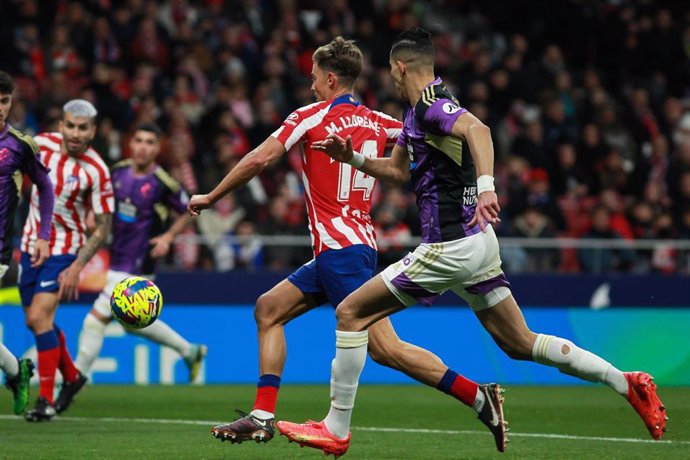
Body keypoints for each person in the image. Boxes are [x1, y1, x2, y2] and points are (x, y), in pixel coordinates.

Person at [277, 28, 667, 456]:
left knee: (351, 313)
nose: (389, 77)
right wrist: (349, 156)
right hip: (479, 244)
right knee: (520, 342)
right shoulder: (414, 113)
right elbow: (396, 171)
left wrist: (486, 187)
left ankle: (336, 428)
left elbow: (478, 130)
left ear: (401, 67)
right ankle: (625, 381)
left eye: (391, 70)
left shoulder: (430, 104)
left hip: (448, 247)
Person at [188, 36, 508, 453]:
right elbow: (444, 142)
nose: (311, 87)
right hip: (346, 250)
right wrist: (469, 185)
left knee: (385, 349)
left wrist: (211, 197)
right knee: (269, 309)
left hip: (342, 252)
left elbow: (258, 159)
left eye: (315, 79)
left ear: (331, 78)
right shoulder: (383, 121)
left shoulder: (309, 116)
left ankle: (477, 397)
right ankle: (262, 415)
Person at [73, 123, 207, 382]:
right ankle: (188, 350)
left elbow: (191, 209)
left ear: (158, 148)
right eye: (139, 140)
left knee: (94, 321)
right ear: (130, 143)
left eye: (149, 142)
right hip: (117, 258)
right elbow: (105, 201)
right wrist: (94, 216)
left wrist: (168, 236)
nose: (143, 147)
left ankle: (74, 381)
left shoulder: (162, 182)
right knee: (129, 322)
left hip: (139, 265)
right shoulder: (118, 171)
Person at [19, 99, 114, 421]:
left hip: (65, 249)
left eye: (82, 128)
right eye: (70, 125)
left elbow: (103, 226)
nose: (75, 133)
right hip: (30, 245)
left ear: (93, 130)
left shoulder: (96, 169)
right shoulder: (38, 145)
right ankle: (72, 377)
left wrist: (76, 266)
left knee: (38, 317)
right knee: (36, 320)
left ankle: (46, 400)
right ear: (61, 125)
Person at [0, 71, 53, 415]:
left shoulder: (19, 146)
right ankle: (17, 371)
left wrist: (44, 235)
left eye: (4, 101)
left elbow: (46, 187)